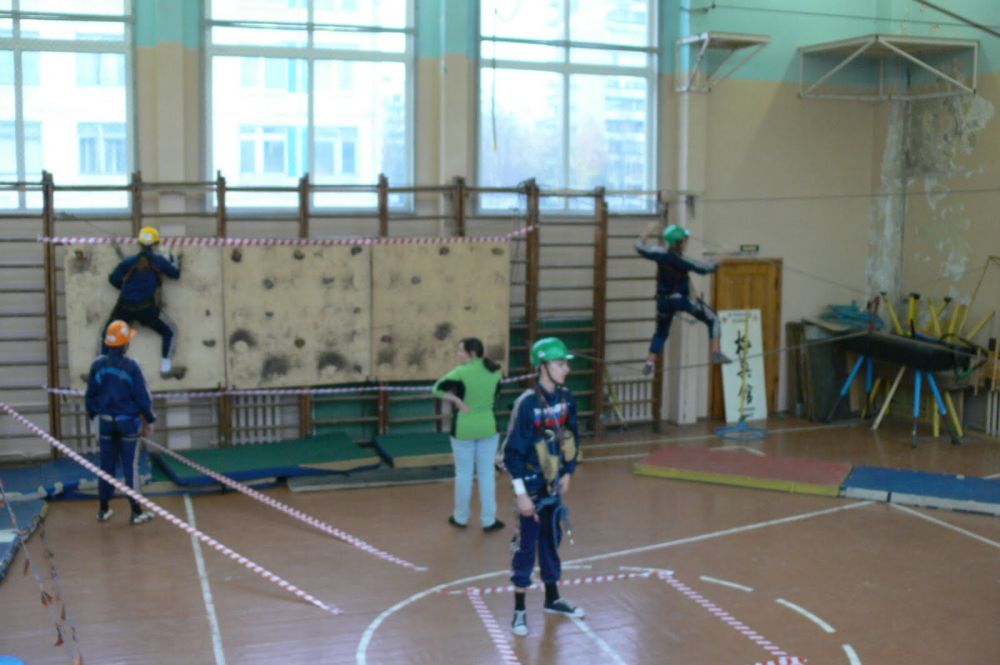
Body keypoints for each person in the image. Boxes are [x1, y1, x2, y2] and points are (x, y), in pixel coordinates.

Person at [503, 336, 584, 637]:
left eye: (566, 364)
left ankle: (552, 599)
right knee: (526, 547)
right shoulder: (526, 405)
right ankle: (519, 610)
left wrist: (568, 473)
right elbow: (511, 455)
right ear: (543, 366)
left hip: (554, 488)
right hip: (531, 488)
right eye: (560, 363)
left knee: (551, 541)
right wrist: (521, 495)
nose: (566, 369)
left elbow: (574, 437)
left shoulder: (567, 400)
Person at [635, 222, 731, 376]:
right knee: (713, 318)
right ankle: (716, 352)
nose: (687, 242)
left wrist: (649, 230)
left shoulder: (659, 254)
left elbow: (639, 247)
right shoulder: (682, 261)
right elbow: (705, 268)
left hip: (663, 302)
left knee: (661, 333)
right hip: (681, 300)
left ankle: (649, 363)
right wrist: (723, 257)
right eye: (685, 240)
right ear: (679, 243)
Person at [85, 320, 156, 525]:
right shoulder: (132, 366)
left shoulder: (97, 365)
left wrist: (94, 413)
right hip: (127, 424)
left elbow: (90, 396)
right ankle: (136, 511)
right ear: (125, 344)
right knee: (130, 466)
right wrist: (149, 420)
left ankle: (103, 509)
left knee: (105, 466)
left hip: (105, 423)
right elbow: (142, 397)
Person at [432, 337, 505, 532]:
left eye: (460, 351)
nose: (458, 355)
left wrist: (456, 400)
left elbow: (436, 389)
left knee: (463, 474)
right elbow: (497, 394)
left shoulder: (460, 372)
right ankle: (489, 520)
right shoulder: (496, 371)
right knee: (487, 474)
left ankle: (460, 517)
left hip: (464, 429)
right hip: (488, 427)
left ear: (471, 353)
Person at [103, 225, 184, 379]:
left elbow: (113, 279)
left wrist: (126, 288)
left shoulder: (129, 261)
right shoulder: (159, 261)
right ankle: (165, 368)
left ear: (140, 243)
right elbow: (175, 274)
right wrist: (177, 261)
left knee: (108, 333)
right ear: (155, 244)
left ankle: (101, 366)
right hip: (146, 309)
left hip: (124, 307)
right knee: (170, 331)